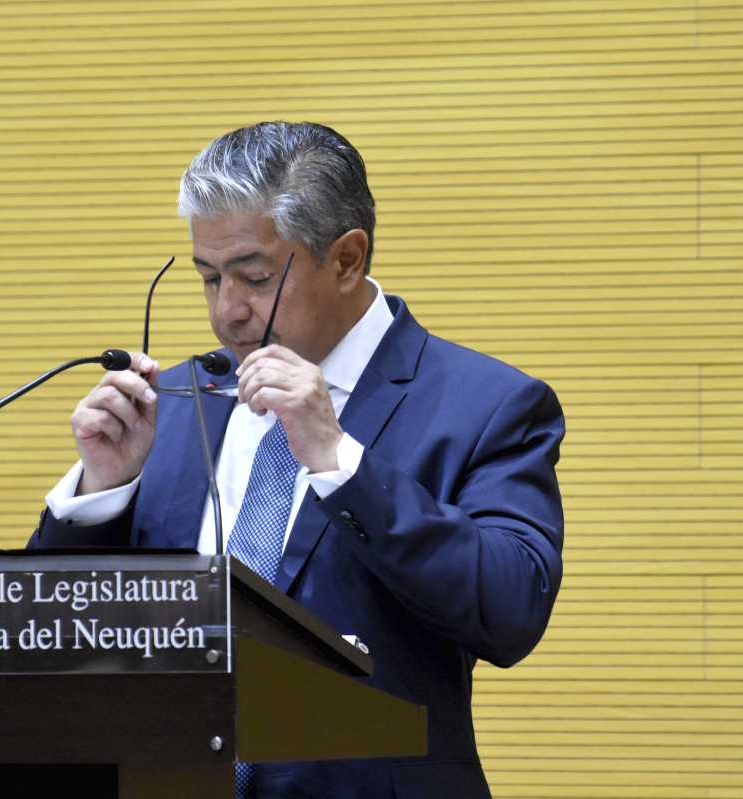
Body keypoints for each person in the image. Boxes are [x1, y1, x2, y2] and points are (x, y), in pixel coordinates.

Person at [30, 121, 565, 799]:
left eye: (254, 278)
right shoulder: (173, 401)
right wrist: (104, 491)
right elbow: (49, 637)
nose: (227, 312)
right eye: (208, 278)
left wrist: (341, 462)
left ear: (346, 259)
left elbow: (511, 610)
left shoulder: (485, 404)